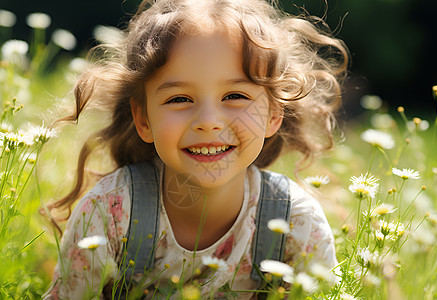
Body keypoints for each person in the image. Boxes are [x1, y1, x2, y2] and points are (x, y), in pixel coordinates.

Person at [44, 0, 348, 298]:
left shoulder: (296, 221)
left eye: (234, 95)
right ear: (144, 119)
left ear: (274, 115)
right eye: (179, 99)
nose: (208, 122)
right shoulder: (110, 212)